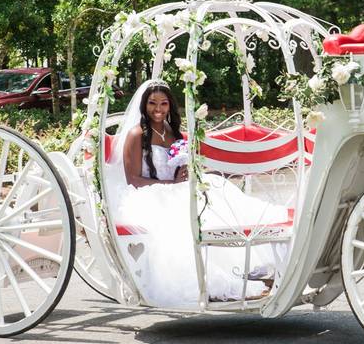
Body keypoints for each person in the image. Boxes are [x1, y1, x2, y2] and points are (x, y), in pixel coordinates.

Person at [113, 82, 285, 308]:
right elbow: (133, 179)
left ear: (170, 106)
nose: (158, 109)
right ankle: (210, 278)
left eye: (163, 104)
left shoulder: (173, 131)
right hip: (148, 193)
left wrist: (186, 172)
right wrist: (171, 182)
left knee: (215, 190)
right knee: (185, 214)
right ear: (144, 105)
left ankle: (248, 257)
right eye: (152, 103)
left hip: (176, 187)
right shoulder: (137, 134)